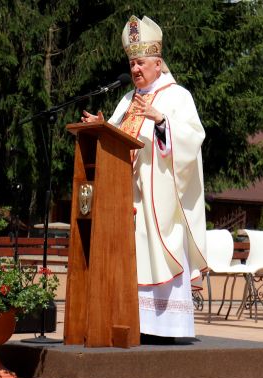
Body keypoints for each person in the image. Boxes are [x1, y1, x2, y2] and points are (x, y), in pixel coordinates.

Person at [81, 15, 207, 342]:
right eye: (132, 63)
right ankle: (134, 322)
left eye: (141, 63)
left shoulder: (177, 96)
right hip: (126, 198)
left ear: (158, 63)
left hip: (161, 199)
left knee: (159, 252)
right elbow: (116, 140)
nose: (136, 69)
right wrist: (101, 126)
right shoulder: (127, 100)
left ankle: (165, 328)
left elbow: (193, 139)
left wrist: (162, 121)